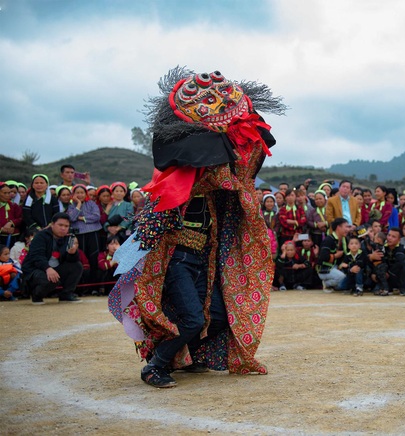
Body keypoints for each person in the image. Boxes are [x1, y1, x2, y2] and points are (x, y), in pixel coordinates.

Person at [108, 67, 282, 388]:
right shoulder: (175, 182)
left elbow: (242, 168)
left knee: (217, 317)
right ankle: (156, 366)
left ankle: (186, 356)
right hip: (177, 261)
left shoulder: (219, 185)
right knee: (192, 320)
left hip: (204, 261)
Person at [21, 212, 83, 304]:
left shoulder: (69, 237)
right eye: (60, 225)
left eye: (66, 226)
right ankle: (36, 295)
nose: (63, 228)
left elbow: (71, 260)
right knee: (50, 279)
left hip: (56, 267)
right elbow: (37, 256)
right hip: (36, 269)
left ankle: (66, 294)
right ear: (52, 224)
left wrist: (72, 254)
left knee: (77, 266)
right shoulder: (40, 236)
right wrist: (47, 268)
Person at [67, 184, 102, 292]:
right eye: (77, 193)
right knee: (80, 258)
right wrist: (78, 205)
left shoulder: (91, 203)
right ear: (73, 194)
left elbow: (96, 216)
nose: (80, 195)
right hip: (78, 234)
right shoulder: (71, 205)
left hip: (93, 233)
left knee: (93, 259)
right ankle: (81, 287)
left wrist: (81, 218)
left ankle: (94, 287)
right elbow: (71, 218)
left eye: (82, 192)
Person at [317, 217, 350, 291]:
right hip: (325, 269)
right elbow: (322, 257)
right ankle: (327, 284)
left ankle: (335, 286)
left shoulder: (345, 240)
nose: (348, 230)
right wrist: (335, 256)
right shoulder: (328, 240)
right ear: (338, 227)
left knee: (349, 278)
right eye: (346, 227)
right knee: (342, 278)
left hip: (337, 268)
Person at [0, 181, 23, 248]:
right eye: (5, 193)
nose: (8, 195)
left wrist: (11, 223)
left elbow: (21, 218)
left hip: (14, 237)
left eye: (9, 193)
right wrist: (2, 229)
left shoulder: (13, 206)